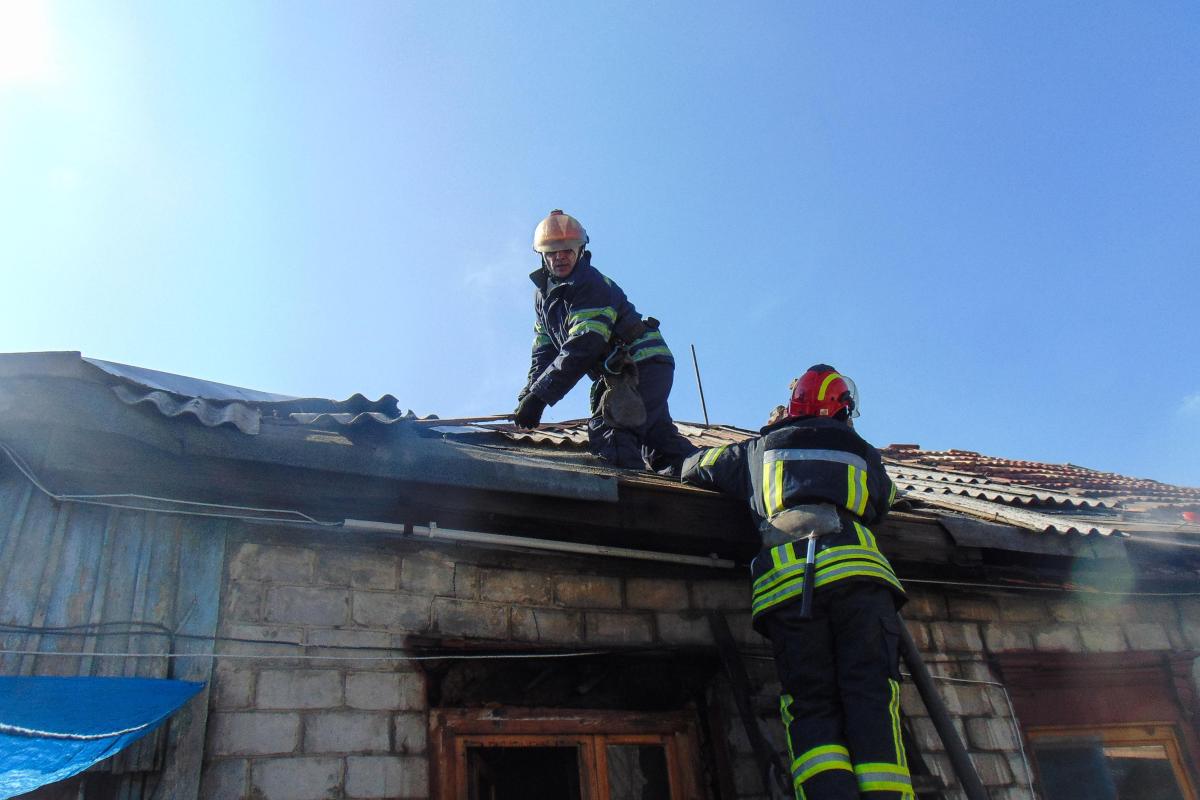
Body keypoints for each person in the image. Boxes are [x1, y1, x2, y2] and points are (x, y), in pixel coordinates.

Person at [681, 364, 912, 800]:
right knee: (870, 697)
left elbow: (696, 466)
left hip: (790, 593)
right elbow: (886, 500)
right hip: (860, 585)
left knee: (810, 705)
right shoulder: (863, 452)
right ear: (842, 409)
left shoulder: (755, 450)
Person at [514, 209, 696, 473]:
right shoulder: (543, 298)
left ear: (580, 250)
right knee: (659, 442)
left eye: (567, 249)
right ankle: (710, 472)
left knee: (612, 430)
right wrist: (528, 394)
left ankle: (628, 506)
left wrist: (540, 397)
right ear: (542, 256)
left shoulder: (589, 285)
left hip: (640, 363)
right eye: (552, 251)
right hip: (626, 369)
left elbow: (584, 345)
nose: (560, 257)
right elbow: (544, 351)